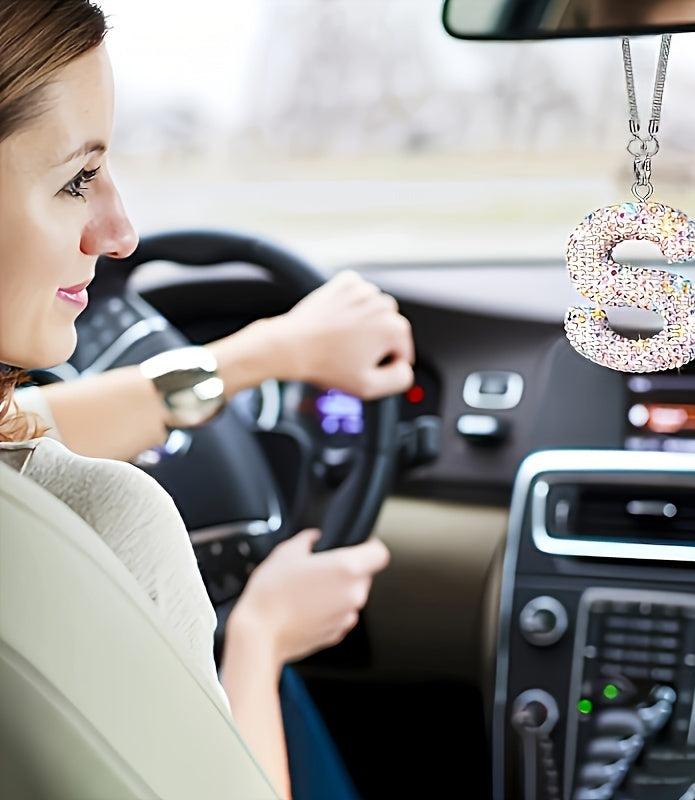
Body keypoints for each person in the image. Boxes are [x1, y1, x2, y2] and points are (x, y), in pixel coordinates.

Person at [0, 2, 414, 798]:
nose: (120, 232)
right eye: (77, 180)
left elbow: (40, 426)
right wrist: (262, 638)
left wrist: (272, 353)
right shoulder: (109, 519)